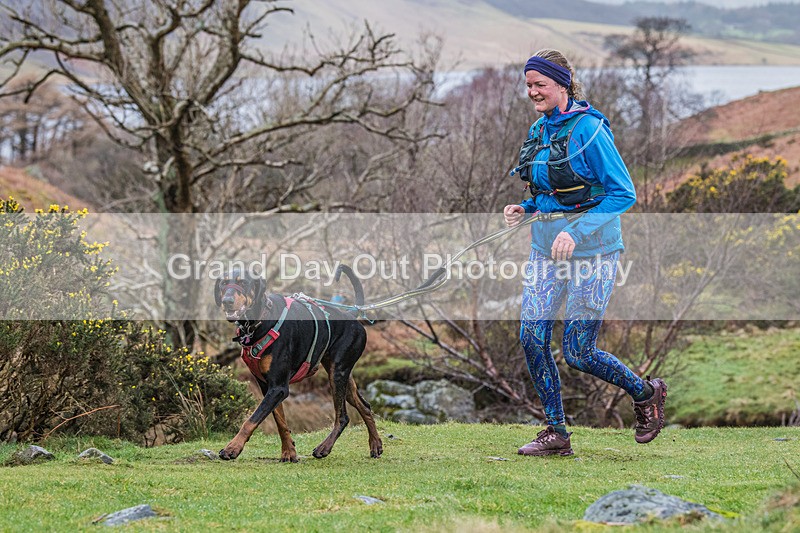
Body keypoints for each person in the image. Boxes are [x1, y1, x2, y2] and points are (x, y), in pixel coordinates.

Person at [503, 49, 666, 457]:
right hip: (545, 250)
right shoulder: (539, 130)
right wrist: (525, 209)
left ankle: (646, 393)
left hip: (594, 251)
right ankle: (556, 433)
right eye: (528, 85)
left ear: (562, 84)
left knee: (578, 352)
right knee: (531, 337)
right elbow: (551, 192)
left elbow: (622, 193)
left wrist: (576, 232)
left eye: (540, 84)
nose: (532, 92)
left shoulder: (590, 131)